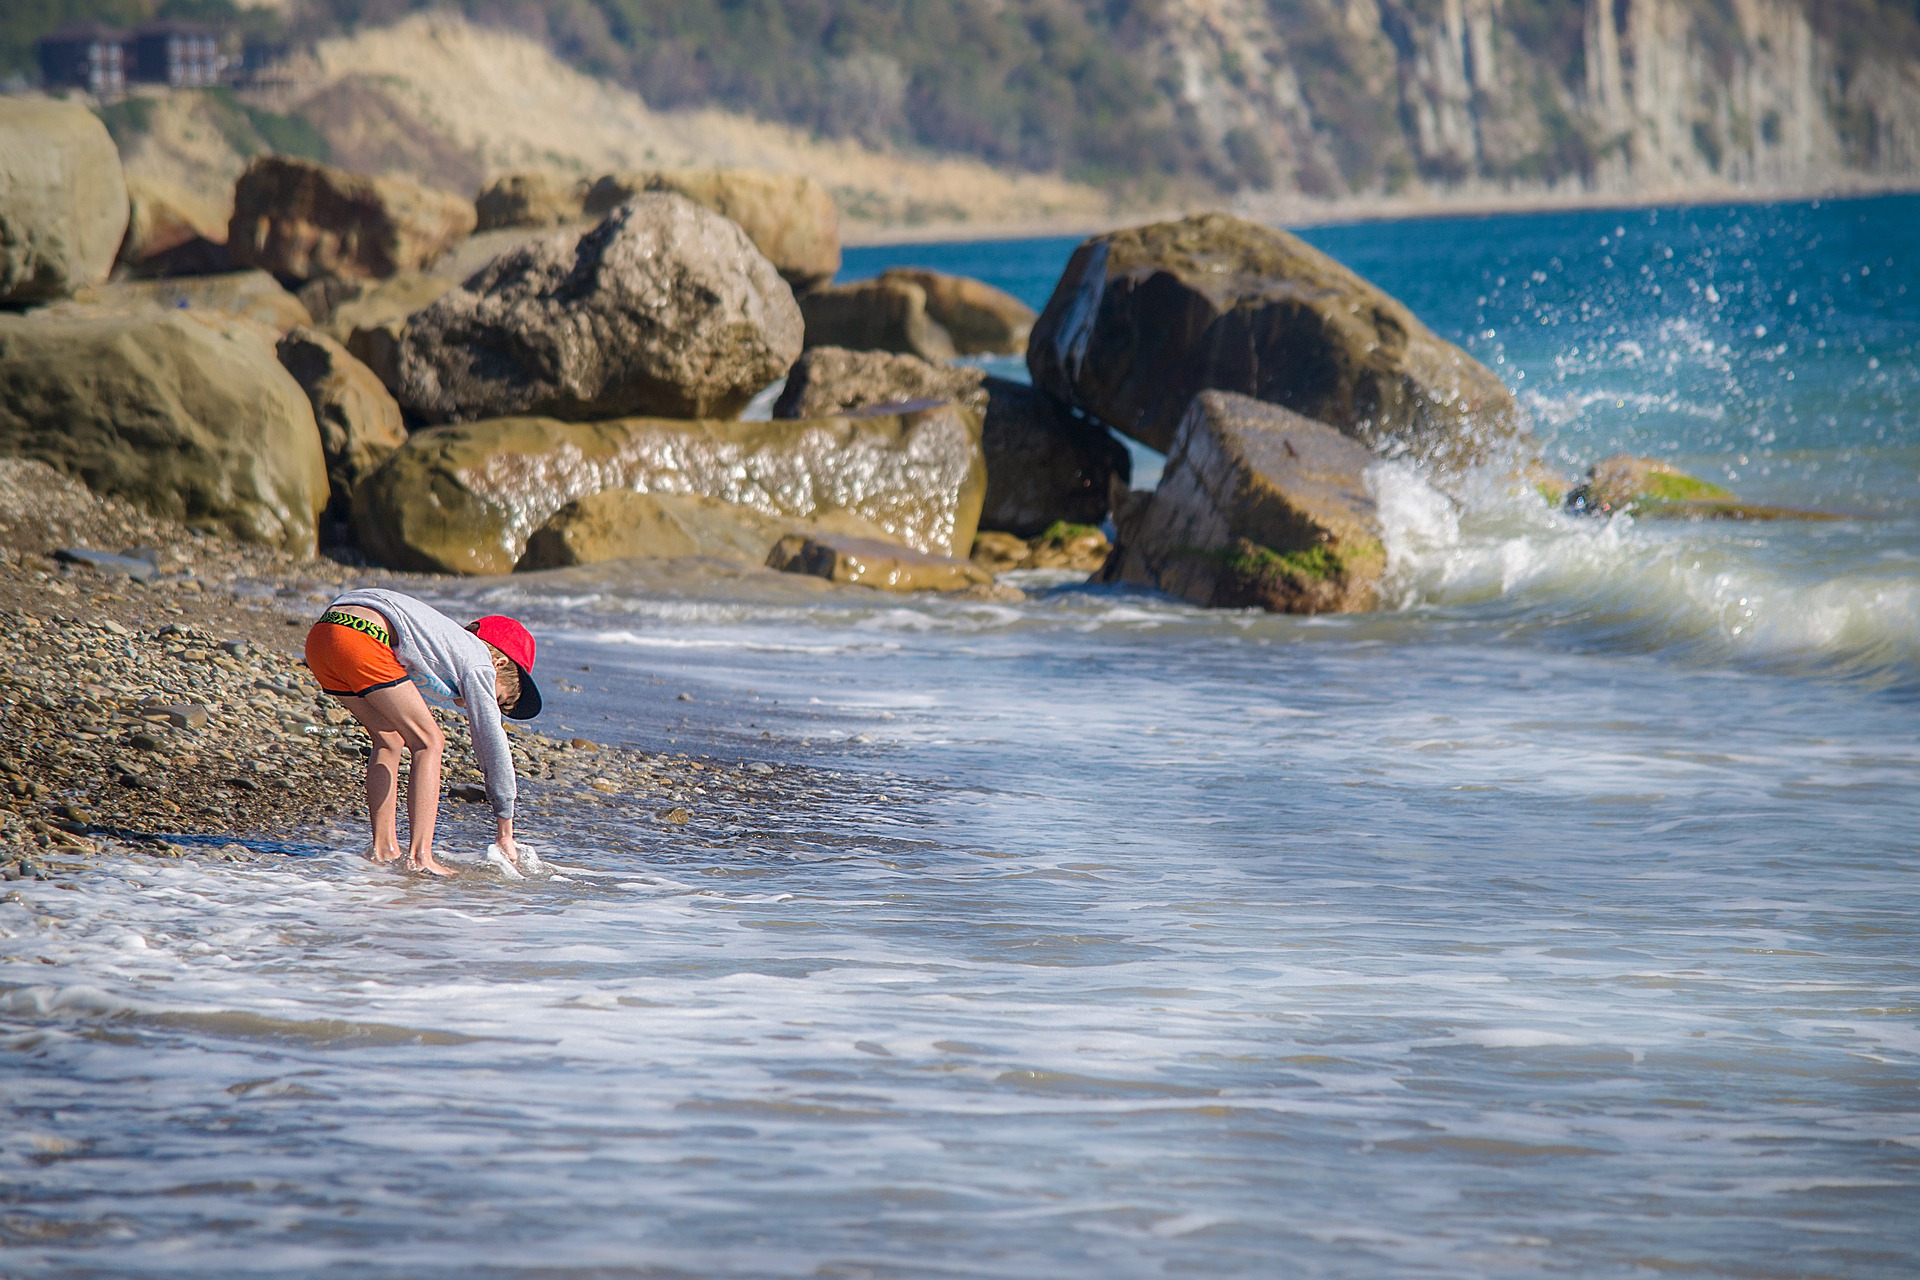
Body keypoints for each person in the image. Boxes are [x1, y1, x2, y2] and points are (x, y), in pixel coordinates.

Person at [303, 588, 542, 876]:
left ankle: (384, 850)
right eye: (499, 699)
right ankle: (421, 857)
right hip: (362, 636)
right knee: (430, 741)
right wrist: (505, 828)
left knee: (389, 739)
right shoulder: (480, 661)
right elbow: (491, 741)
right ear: (500, 664)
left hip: (322, 637)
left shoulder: (440, 643)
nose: (492, 704)